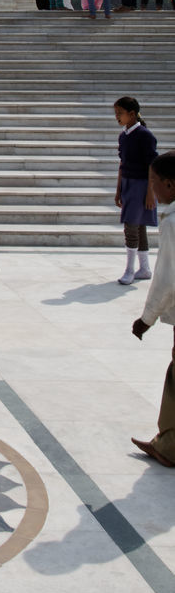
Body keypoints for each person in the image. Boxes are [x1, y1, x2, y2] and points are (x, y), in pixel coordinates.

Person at [131, 152, 175, 467]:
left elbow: (167, 278)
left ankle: (169, 445)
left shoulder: (173, 223)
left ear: (170, 185)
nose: (153, 188)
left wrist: (147, 319)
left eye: (155, 182)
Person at [113, 96, 157, 285]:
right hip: (128, 184)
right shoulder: (123, 136)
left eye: (120, 114)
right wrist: (118, 189)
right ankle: (144, 268)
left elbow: (152, 165)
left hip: (141, 185)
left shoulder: (145, 136)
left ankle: (130, 270)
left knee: (131, 227)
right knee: (138, 227)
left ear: (131, 114)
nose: (117, 118)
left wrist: (150, 192)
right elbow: (122, 164)